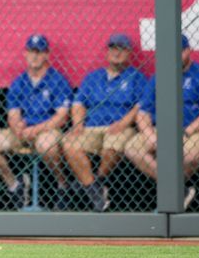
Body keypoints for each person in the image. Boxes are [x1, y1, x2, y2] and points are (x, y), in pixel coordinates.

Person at [0, 34, 73, 210]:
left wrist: (36, 129)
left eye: (39, 52)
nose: (35, 56)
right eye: (31, 51)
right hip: (22, 130)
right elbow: (13, 113)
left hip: (46, 129)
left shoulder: (57, 80)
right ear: (25, 54)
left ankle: (62, 185)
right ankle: (15, 186)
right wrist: (17, 126)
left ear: (47, 55)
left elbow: (62, 117)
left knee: (46, 145)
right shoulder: (19, 82)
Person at [63, 33, 147, 211]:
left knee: (112, 145)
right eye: (113, 48)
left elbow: (140, 107)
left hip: (120, 127)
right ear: (107, 52)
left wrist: (123, 123)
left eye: (121, 49)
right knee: (69, 144)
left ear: (129, 53)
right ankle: (95, 189)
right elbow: (78, 104)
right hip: (92, 127)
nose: (116, 52)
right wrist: (78, 125)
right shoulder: (93, 77)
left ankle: (95, 183)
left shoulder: (137, 77)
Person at [125, 35, 199, 210]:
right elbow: (143, 112)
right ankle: (178, 190)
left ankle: (172, 193)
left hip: (195, 129)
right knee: (133, 148)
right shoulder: (159, 76)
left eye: (179, 52)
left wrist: (187, 132)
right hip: (161, 128)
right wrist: (150, 135)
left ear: (187, 51)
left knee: (188, 155)